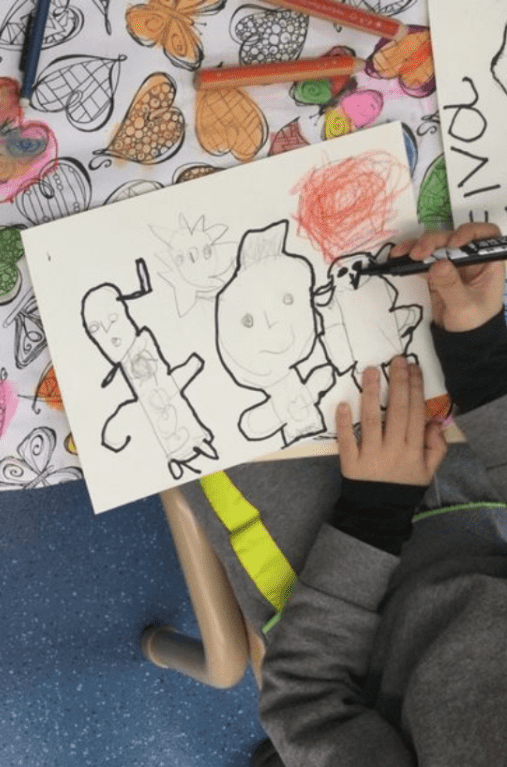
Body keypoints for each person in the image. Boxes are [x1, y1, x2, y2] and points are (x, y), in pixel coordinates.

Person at [179, 222, 507, 767]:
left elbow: (305, 701)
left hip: (331, 589)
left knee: (189, 405)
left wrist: (372, 514)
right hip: (479, 512)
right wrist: (482, 358)